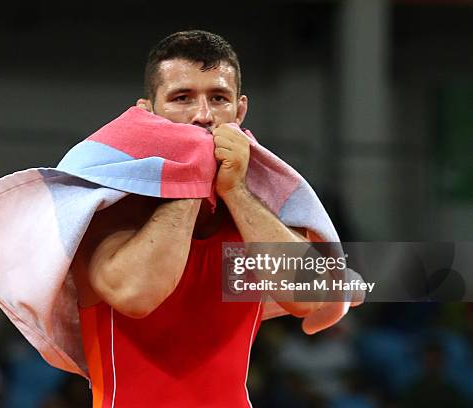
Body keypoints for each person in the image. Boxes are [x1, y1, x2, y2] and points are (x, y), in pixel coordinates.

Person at [71, 30, 335, 407]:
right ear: (147, 113)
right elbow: (136, 295)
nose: (202, 116)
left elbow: (310, 298)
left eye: (218, 98)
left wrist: (237, 193)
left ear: (239, 112)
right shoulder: (108, 207)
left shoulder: (252, 213)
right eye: (182, 98)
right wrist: (191, 181)